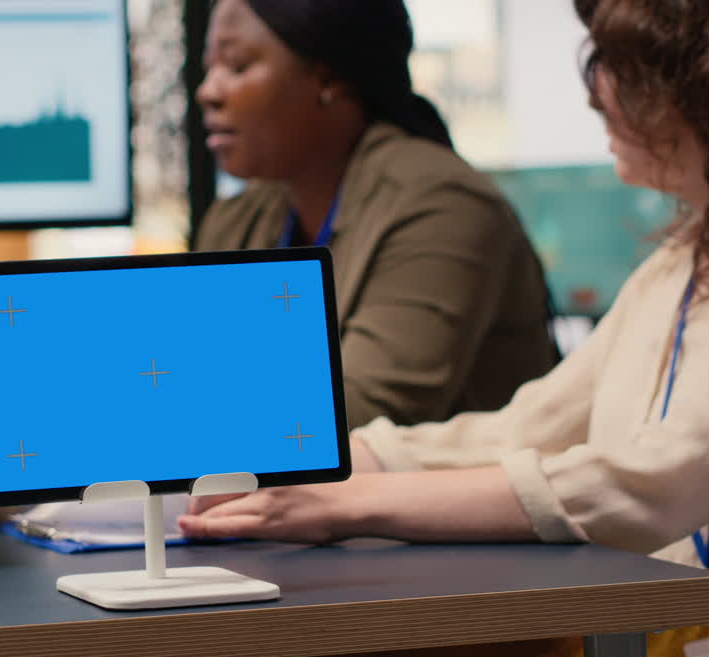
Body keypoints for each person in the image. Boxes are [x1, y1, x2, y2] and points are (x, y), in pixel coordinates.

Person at [175, 0, 709, 657]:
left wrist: (340, 505)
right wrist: (354, 462)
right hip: (626, 619)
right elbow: (530, 426)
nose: (595, 96)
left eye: (618, 70)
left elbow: (651, 486)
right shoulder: (701, 250)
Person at [191, 0, 559, 429]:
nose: (208, 92)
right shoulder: (238, 217)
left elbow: (355, 420)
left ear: (327, 77)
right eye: (208, 68)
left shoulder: (442, 206)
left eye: (235, 67)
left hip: (422, 494)